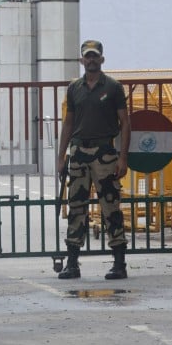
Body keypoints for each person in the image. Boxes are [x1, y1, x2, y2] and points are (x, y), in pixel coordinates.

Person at [55, 39, 131, 280]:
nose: (91, 60)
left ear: (102, 59)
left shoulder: (113, 87)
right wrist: (61, 156)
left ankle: (119, 263)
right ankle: (72, 263)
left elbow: (125, 123)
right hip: (78, 153)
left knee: (110, 208)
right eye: (87, 56)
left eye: (94, 56)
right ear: (81, 60)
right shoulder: (74, 87)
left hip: (104, 153)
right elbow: (68, 122)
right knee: (76, 207)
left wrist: (122, 158)